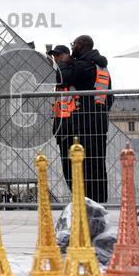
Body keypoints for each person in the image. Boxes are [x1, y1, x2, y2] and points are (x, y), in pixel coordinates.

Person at [57, 34, 113, 203]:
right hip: (98, 124)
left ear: (80, 45)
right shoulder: (102, 67)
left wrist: (63, 63)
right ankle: (98, 203)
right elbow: (110, 98)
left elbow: (62, 79)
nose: (72, 47)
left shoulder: (83, 64)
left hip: (80, 124)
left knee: (77, 167)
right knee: (96, 166)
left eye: (73, 44)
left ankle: (84, 204)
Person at [46, 44, 75, 185]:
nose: (55, 58)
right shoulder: (63, 69)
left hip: (70, 126)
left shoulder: (69, 69)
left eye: (57, 55)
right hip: (62, 126)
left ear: (65, 55)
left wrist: (63, 63)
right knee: (67, 169)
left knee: (71, 168)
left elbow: (62, 79)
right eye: (54, 55)